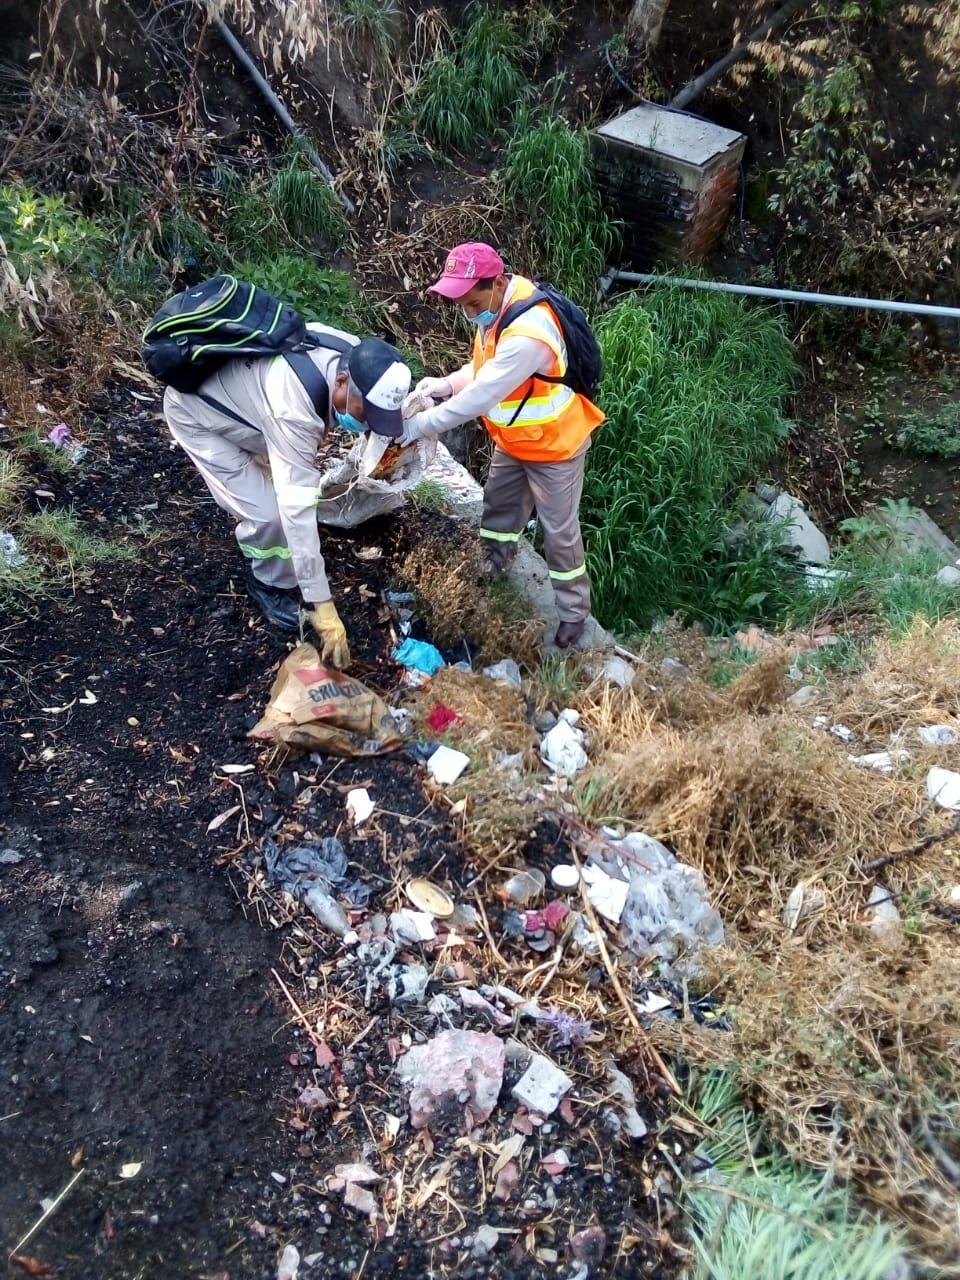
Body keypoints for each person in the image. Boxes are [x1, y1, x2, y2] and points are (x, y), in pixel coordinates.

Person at [163, 329, 411, 669]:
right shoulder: (294, 409)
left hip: (244, 403)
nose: (365, 422)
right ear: (341, 382)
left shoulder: (357, 356)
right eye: (364, 412)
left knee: (281, 485)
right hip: (197, 415)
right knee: (271, 515)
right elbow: (296, 512)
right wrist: (323, 606)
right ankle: (268, 583)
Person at [400, 242, 603, 649]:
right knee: (497, 507)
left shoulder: (530, 333)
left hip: (555, 449)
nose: (470, 314)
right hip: (514, 441)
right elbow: (480, 371)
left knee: (559, 533)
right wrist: (444, 384)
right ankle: (496, 563)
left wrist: (422, 424)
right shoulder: (498, 312)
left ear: (495, 283)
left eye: (473, 304)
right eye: (463, 306)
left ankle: (574, 616)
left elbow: (482, 395)